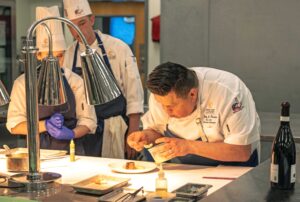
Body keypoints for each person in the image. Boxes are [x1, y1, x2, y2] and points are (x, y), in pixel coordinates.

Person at [128, 62, 261, 166]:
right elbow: (157, 130)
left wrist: (188, 146)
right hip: (190, 169)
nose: (165, 111)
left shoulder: (228, 92)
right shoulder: (162, 95)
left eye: (171, 106)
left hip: (235, 168)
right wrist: (145, 136)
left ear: (192, 94)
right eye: (161, 104)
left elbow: (241, 152)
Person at [6, 6, 97, 154]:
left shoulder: (76, 81)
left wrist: (71, 133)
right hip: (38, 154)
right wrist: (44, 125)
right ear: (38, 56)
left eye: (60, 56)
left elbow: (88, 121)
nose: (55, 62)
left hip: (72, 153)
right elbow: (14, 124)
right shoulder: (23, 83)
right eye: (49, 57)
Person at [62, 0, 144, 159]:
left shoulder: (118, 48)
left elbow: (134, 93)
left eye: (82, 23)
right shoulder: (69, 54)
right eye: (71, 27)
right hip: (82, 129)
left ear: (92, 20)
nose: (77, 31)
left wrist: (133, 131)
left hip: (113, 127)